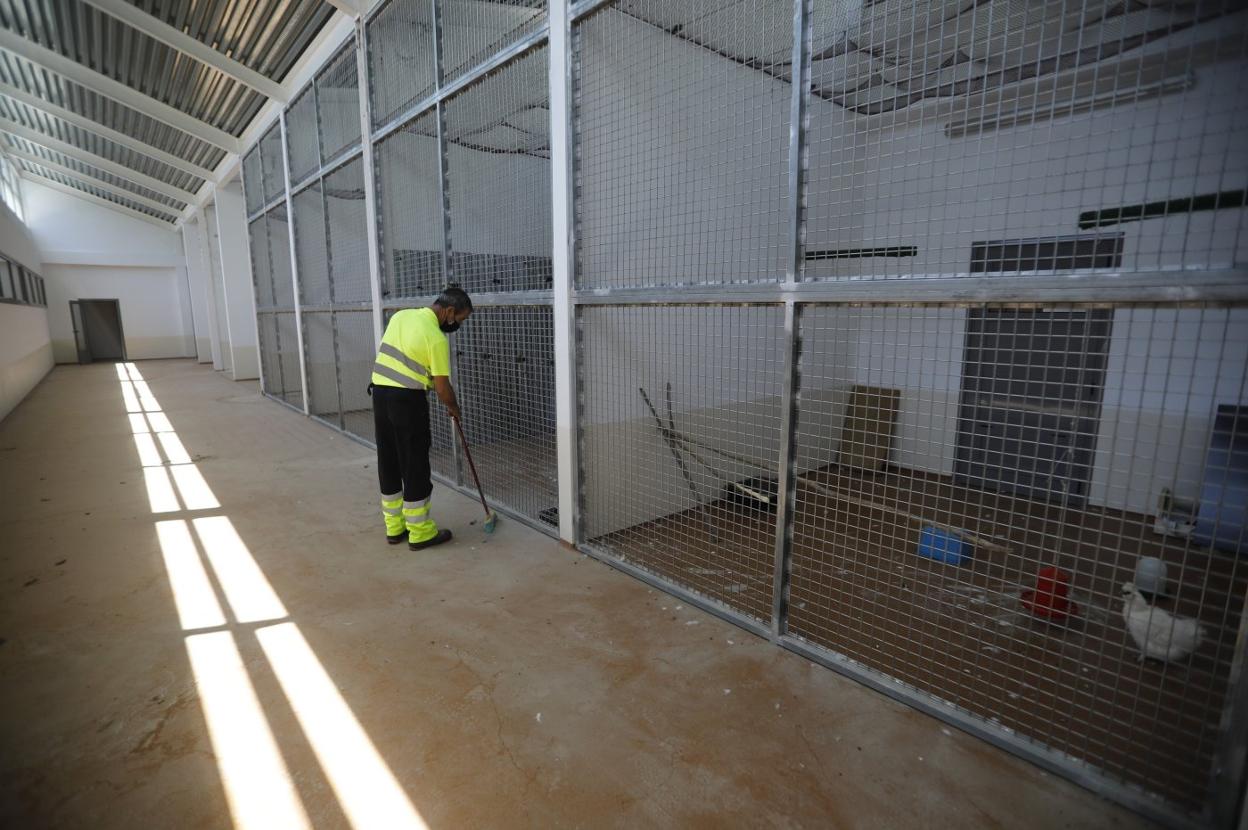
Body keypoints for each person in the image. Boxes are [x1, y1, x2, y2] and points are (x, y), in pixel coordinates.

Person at [370, 287, 472, 551]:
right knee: (414, 464)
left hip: (379, 394)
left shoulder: (400, 317)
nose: (457, 325)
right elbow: (442, 387)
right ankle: (420, 532)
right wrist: (454, 408)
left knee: (389, 461)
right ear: (449, 311)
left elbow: (402, 356)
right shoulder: (436, 338)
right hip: (406, 403)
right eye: (459, 319)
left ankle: (394, 527)